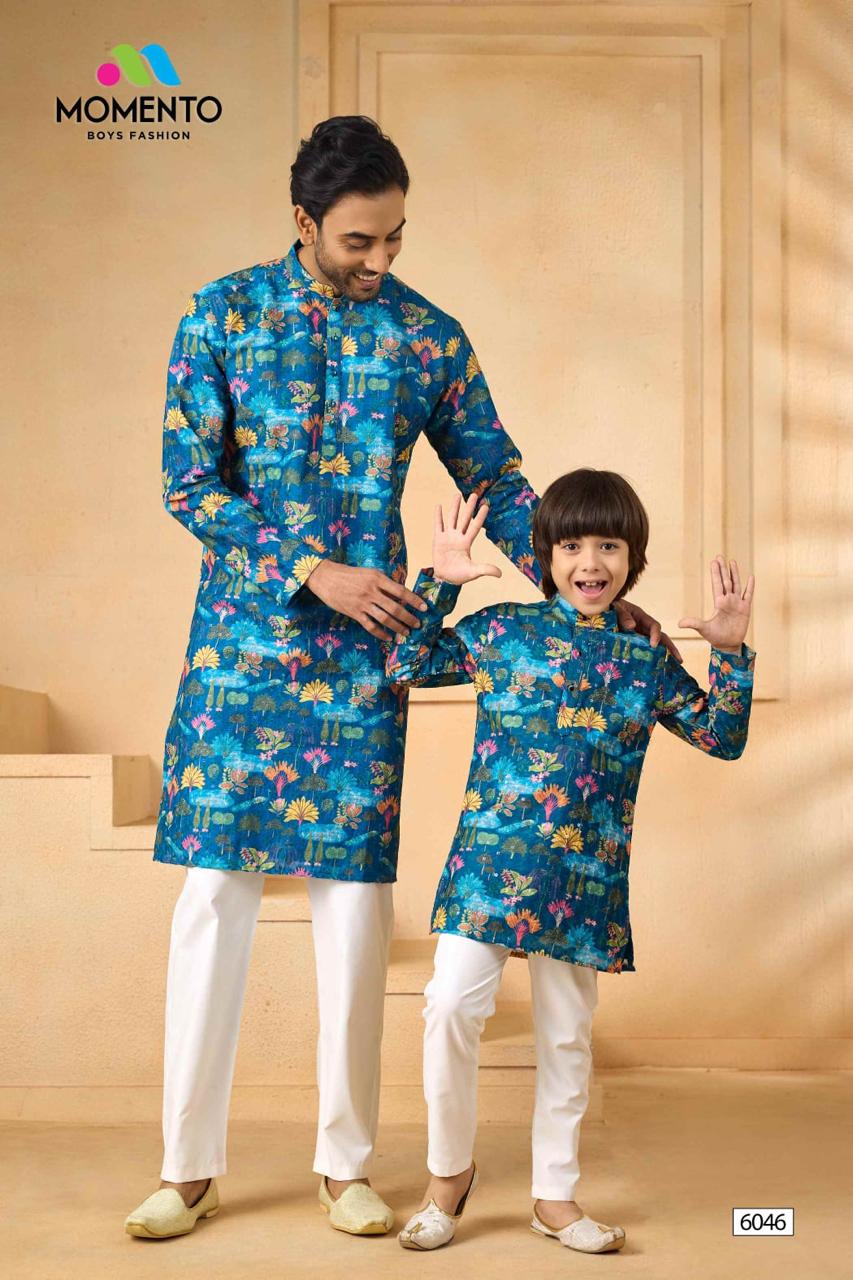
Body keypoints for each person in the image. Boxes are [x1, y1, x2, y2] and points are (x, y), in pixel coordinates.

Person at [124, 116, 675, 1242]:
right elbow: (190, 483)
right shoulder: (221, 314)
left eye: (395, 239)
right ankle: (187, 1168)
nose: (380, 260)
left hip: (371, 656)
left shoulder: (428, 338)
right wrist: (310, 569)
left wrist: (586, 586)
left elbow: (498, 479)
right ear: (303, 222)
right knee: (213, 902)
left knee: (354, 913)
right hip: (240, 656)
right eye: (359, 241)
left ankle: (344, 1166)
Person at [385, 474, 756, 1254]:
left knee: (563, 1038)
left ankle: (552, 1195)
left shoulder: (645, 657)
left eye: (608, 546)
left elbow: (720, 737)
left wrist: (728, 653)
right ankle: (447, 1178)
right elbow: (403, 665)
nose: (590, 563)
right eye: (572, 545)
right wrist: (439, 582)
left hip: (585, 877)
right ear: (546, 556)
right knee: (449, 1006)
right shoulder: (501, 631)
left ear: (632, 558)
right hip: (488, 864)